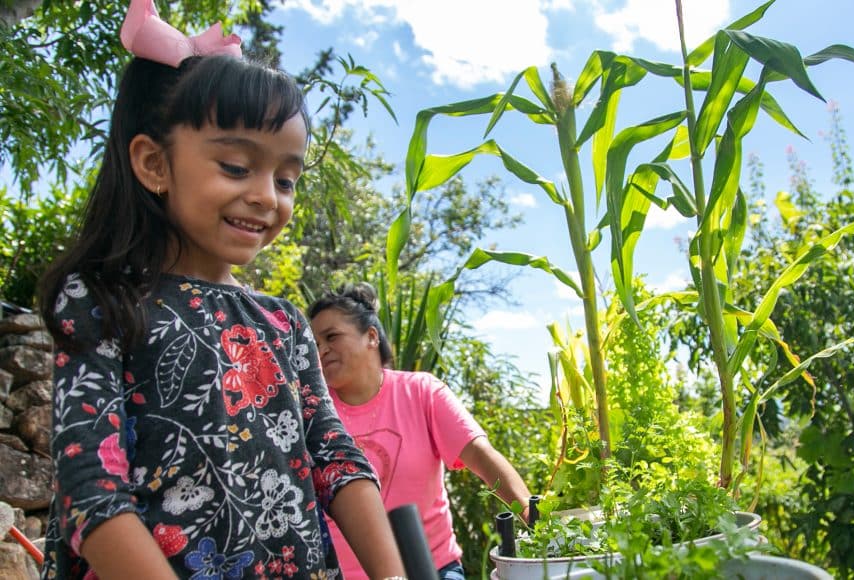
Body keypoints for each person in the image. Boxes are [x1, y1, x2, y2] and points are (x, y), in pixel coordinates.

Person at [36, 1, 407, 578]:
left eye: (286, 178)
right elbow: (90, 491)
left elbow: (335, 458)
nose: (268, 196)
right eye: (236, 166)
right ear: (153, 163)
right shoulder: (102, 300)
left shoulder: (285, 324)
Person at [307, 283, 533, 580]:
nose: (321, 349)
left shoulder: (422, 392)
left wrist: (534, 520)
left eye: (331, 336)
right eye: (315, 342)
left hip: (431, 570)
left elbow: (481, 457)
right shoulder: (311, 414)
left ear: (371, 336)